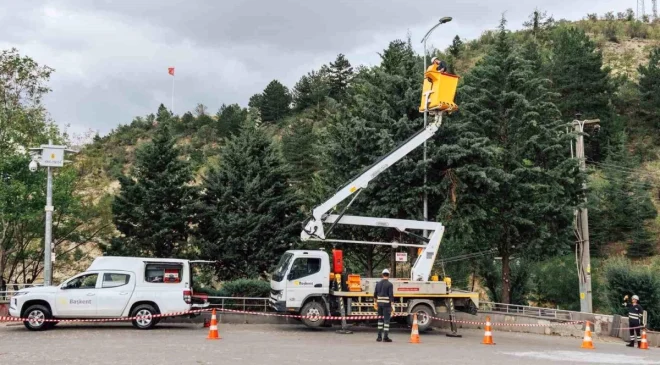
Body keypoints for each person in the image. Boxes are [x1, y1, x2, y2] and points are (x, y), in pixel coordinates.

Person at [374, 268, 395, 342]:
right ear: (388, 275)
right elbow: (391, 295)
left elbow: (375, 294)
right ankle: (385, 337)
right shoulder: (390, 284)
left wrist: (375, 303)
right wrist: (392, 305)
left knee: (380, 320)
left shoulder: (378, 284)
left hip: (379, 304)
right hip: (386, 305)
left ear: (382, 275)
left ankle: (379, 337)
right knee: (386, 321)